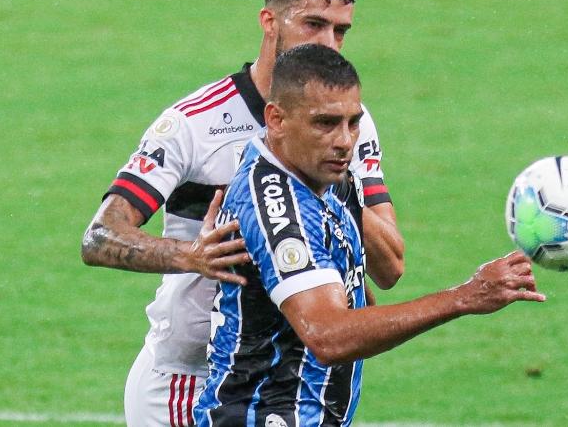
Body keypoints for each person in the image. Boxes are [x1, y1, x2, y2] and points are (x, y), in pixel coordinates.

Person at [81, 0, 404, 427]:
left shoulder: (347, 123)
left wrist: (330, 185)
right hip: (186, 380)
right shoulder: (195, 123)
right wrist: (190, 256)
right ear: (269, 21)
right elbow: (100, 236)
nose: (330, 44)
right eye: (314, 24)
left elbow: (390, 267)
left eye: (341, 31)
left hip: (283, 379)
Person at [194, 44, 544, 427]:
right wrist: (465, 297)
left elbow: (382, 275)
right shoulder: (276, 206)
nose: (345, 141)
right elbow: (326, 335)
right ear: (276, 120)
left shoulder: (327, 175)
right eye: (325, 123)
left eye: (352, 122)